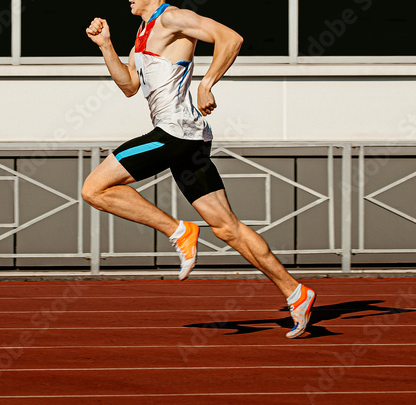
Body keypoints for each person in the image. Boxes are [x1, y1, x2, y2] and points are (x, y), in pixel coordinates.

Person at [82, 0, 316, 338]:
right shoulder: (142, 33)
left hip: (174, 133)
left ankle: (180, 231)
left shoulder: (173, 18)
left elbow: (230, 39)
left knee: (94, 189)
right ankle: (296, 292)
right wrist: (106, 46)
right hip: (187, 138)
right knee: (226, 228)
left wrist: (206, 83)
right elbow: (129, 86)